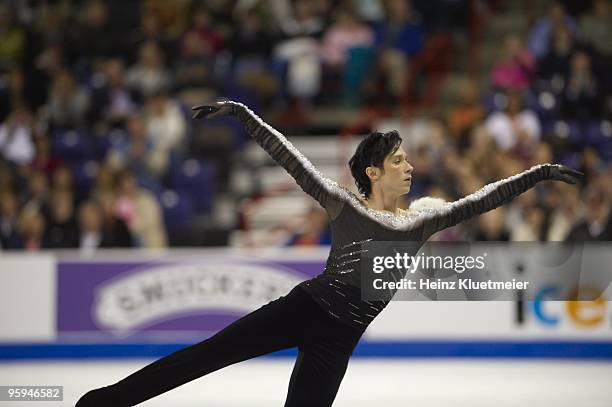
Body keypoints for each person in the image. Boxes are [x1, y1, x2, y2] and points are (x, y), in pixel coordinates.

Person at [76, 100, 582, 407]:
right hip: (304, 308)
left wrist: (538, 174)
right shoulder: (343, 204)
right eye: (398, 161)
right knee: (206, 356)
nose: (409, 168)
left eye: (408, 159)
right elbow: (289, 159)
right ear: (373, 173)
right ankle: (102, 403)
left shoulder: (424, 218)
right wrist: (243, 115)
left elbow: (483, 199)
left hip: (337, 342)